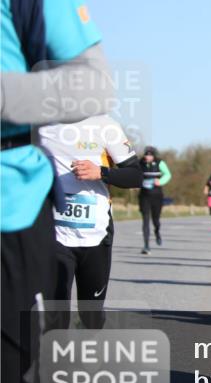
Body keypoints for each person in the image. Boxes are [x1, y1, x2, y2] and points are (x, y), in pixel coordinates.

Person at [2, 0, 115, 383]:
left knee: (81, 318)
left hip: (30, 214)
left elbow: (139, 172)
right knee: (55, 324)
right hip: (52, 228)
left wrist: (99, 166)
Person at [38, 115, 143, 330]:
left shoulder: (106, 125)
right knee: (55, 313)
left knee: (91, 315)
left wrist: (101, 172)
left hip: (96, 233)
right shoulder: (40, 124)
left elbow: (135, 175)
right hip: (55, 234)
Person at [138, 146, 171, 254]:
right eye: (146, 155)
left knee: (155, 219)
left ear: (154, 156)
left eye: (150, 155)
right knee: (145, 220)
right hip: (144, 195)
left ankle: (157, 232)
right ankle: (146, 245)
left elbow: (168, 174)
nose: (147, 157)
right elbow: (135, 175)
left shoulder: (159, 163)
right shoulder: (140, 163)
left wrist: (160, 182)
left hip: (157, 195)